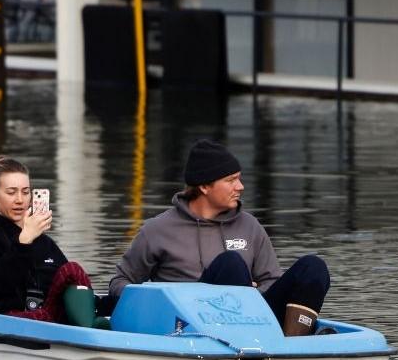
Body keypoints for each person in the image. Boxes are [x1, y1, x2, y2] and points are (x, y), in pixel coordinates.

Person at [108, 139, 330, 336]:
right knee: (230, 263)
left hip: (255, 320)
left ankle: (293, 344)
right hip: (191, 323)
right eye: (231, 180)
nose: (240, 187)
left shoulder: (250, 226)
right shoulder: (158, 230)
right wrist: (161, 300)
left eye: (239, 179)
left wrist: (251, 293)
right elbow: (120, 283)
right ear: (204, 186)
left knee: (313, 267)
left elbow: (271, 280)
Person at [0, 155, 93, 323]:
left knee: (72, 269)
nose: (20, 200)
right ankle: (87, 333)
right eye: (11, 192)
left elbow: (64, 286)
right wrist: (24, 242)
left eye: (25, 192)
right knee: (41, 317)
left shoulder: (44, 242)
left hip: (49, 320)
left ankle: (90, 328)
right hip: (2, 321)